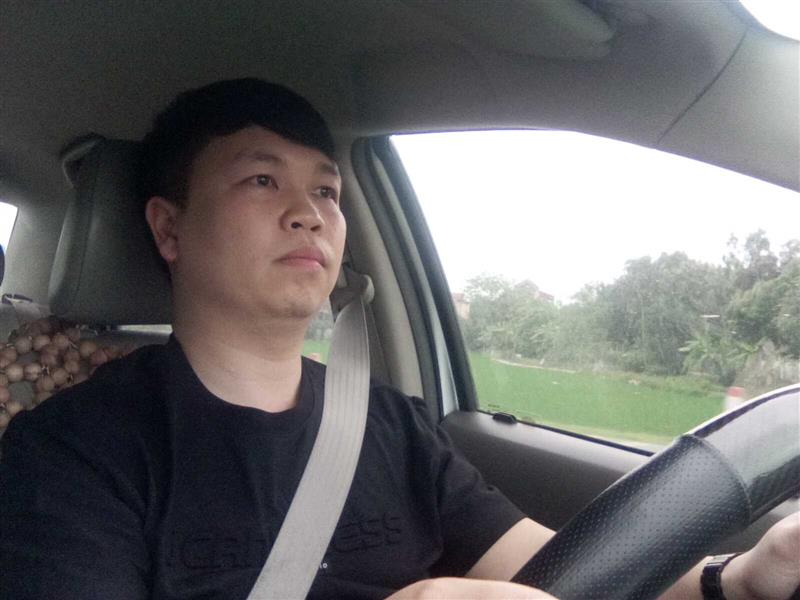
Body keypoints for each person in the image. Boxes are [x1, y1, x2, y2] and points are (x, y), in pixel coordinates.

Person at [0, 78, 797, 600]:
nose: (309, 214)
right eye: (261, 180)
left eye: (326, 190)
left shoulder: (389, 425)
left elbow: (562, 568)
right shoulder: (69, 453)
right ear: (169, 229)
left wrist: (738, 578)